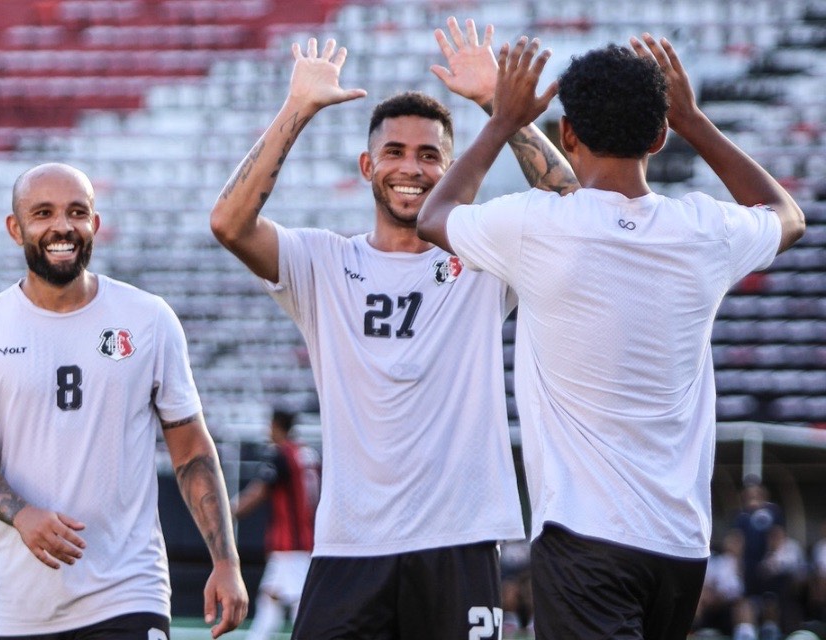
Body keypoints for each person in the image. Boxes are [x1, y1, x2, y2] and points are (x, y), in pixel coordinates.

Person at [417, 33, 805, 640]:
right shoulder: (704, 230)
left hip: (585, 538)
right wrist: (696, 121)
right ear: (659, 136)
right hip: (679, 544)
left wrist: (503, 121)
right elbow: (787, 214)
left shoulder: (536, 224)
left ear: (567, 133)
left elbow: (433, 217)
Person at [210, 18, 577, 640]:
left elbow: (577, 211)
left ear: (453, 165)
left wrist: (499, 107)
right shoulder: (322, 261)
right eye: (396, 152)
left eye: (430, 154)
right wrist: (297, 109)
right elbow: (230, 222)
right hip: (351, 544)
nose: (412, 168)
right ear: (366, 165)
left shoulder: (486, 257)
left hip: (459, 541)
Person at [0, 163, 248, 639]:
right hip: (22, 607)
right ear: (15, 228)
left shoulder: (148, 319)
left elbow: (191, 450)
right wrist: (22, 514)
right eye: (42, 213)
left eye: (77, 212)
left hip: (129, 591)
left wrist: (226, 561)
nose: (62, 226)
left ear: (95, 225)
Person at [231, 407, 320, 640]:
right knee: (270, 599)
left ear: (276, 426)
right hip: (305, 540)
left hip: (290, 546)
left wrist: (227, 512)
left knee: (302, 607)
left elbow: (259, 491)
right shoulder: (307, 454)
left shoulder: (280, 455)